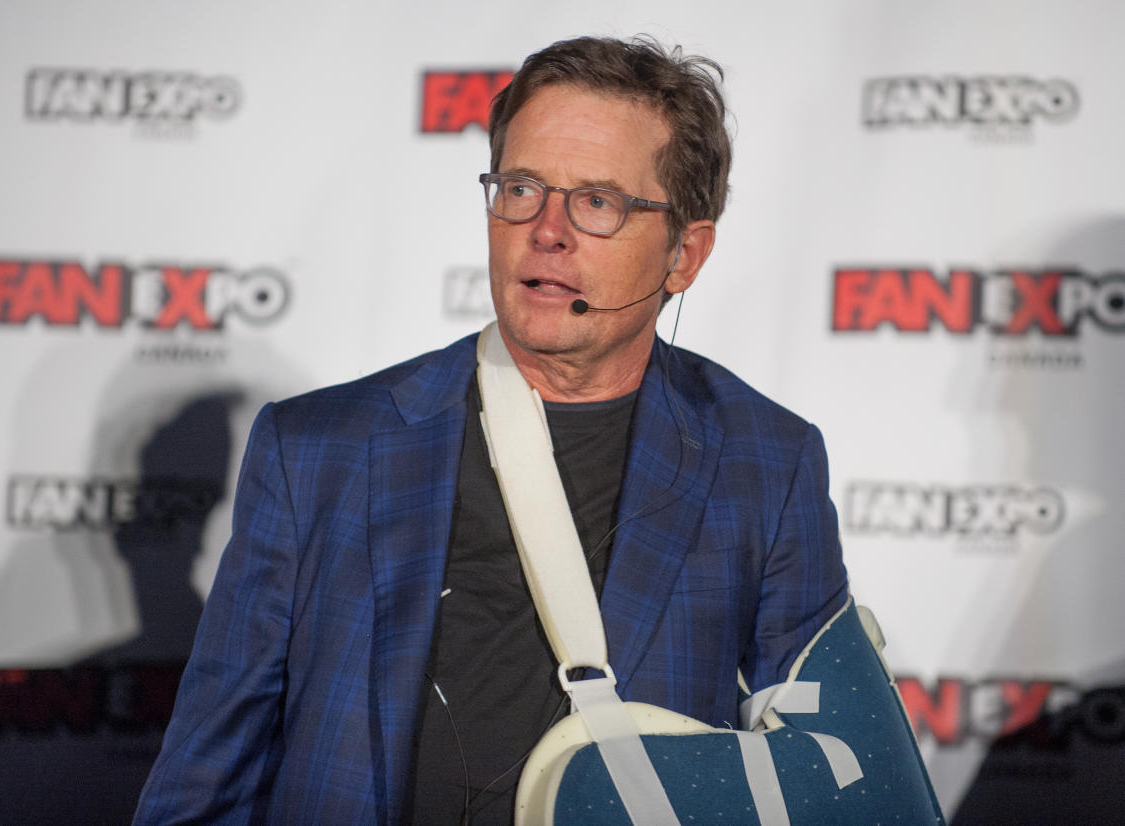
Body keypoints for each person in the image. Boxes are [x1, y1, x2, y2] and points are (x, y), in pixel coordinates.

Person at [134, 35, 847, 825]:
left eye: (598, 202)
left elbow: (818, 772)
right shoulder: (318, 449)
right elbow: (208, 779)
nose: (547, 229)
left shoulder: (766, 462)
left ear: (685, 252)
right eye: (521, 188)